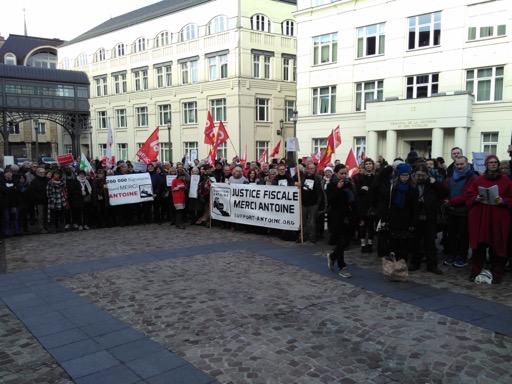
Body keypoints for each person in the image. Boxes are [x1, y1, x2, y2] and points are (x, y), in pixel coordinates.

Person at [466, 155, 512, 284]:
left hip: (497, 218)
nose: (493, 164)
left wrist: (503, 201)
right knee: (479, 247)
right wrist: (476, 198)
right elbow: (469, 196)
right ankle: (476, 271)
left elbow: (510, 197)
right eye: (490, 162)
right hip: (481, 217)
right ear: (486, 165)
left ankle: (496, 272)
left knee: (497, 246)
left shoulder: (506, 180)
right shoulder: (478, 180)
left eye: (495, 162)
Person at [409, 164, 448, 275]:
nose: (420, 177)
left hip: (429, 217)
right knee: (415, 242)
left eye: (423, 175)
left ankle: (432, 265)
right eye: (418, 175)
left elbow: (445, 193)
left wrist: (434, 182)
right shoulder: (411, 183)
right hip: (415, 217)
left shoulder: (431, 184)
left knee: (430, 243)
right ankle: (415, 263)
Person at [442, 156, 476, 268]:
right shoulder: (452, 176)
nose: (459, 166)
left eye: (462, 164)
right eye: (457, 164)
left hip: (464, 212)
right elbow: (447, 190)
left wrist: (451, 202)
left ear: (467, 164)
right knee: (451, 235)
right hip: (452, 211)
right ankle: (452, 255)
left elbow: (467, 195)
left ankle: (462, 257)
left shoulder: (472, 177)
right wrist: (446, 199)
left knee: (463, 236)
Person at [381, 163, 419, 263]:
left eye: (406, 175)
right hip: (394, 219)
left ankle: (402, 265)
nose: (404, 178)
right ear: (398, 176)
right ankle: (394, 265)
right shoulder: (393, 187)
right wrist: (384, 219)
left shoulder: (413, 188)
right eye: (402, 175)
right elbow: (387, 204)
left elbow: (415, 207)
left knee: (404, 245)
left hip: (407, 220)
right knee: (393, 244)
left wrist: (413, 222)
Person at [326, 164, 355, 278]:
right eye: (341, 173)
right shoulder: (331, 185)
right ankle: (342, 267)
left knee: (346, 243)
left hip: (347, 216)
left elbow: (352, 200)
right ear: (336, 173)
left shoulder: (349, 184)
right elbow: (331, 200)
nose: (344, 176)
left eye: (345, 173)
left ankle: (333, 256)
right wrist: (338, 188)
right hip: (336, 217)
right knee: (340, 242)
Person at [354, 158, 376, 253]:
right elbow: (357, 190)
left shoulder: (376, 177)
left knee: (371, 226)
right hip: (362, 204)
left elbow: (376, 190)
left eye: (370, 164)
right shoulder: (360, 177)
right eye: (366, 164)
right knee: (362, 225)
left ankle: (370, 244)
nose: (368, 165)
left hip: (372, 204)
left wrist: (369, 189)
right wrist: (363, 189)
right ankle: (363, 244)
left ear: (373, 165)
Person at [0, 168, 21, 237]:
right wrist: (12, 189)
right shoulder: (1, 181)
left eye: (10, 172)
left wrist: (8, 189)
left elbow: (18, 189)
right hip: (5, 203)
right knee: (6, 218)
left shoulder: (15, 180)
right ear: (4, 174)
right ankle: (6, 232)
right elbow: (2, 189)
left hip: (14, 203)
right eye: (7, 172)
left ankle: (17, 231)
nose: (9, 174)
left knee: (16, 218)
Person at [28, 167, 49, 233]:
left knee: (47, 214)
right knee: (41, 215)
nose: (43, 174)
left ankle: (47, 226)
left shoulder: (47, 180)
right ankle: (41, 227)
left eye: (43, 172)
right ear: (37, 173)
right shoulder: (34, 181)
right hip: (39, 201)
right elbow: (32, 192)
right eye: (41, 172)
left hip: (47, 199)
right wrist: (38, 197)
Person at [46, 169, 67, 233]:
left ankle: (62, 228)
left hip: (61, 200)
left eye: (58, 174)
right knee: (53, 216)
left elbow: (65, 190)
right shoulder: (50, 182)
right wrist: (52, 199)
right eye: (55, 174)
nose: (57, 175)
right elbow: (48, 193)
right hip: (54, 201)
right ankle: (54, 228)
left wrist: (64, 197)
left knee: (62, 216)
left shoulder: (62, 182)